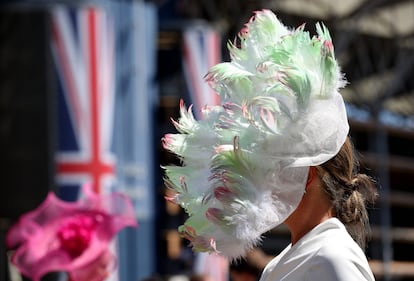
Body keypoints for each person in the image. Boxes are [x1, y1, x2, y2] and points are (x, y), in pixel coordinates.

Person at [162, 8, 378, 281]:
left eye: (269, 167)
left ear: (307, 175)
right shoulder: (286, 262)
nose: (259, 181)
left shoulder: (332, 257)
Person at [259, 137, 378, 280]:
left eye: (275, 169)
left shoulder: (333, 257)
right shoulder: (274, 267)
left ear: (305, 176)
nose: (266, 182)